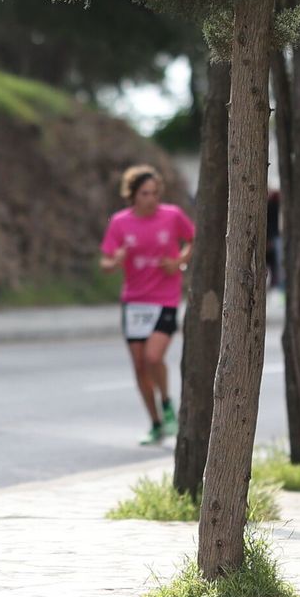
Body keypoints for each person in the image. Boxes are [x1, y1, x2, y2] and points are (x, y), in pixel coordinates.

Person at [98, 165, 195, 446]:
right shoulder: (119, 222)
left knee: (154, 358)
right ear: (132, 196)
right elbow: (104, 262)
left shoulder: (173, 216)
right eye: (144, 194)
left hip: (165, 298)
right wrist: (115, 261)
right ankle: (155, 423)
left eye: (155, 193)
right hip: (134, 302)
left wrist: (178, 262)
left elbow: (195, 239)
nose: (151, 199)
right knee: (140, 366)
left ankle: (166, 404)